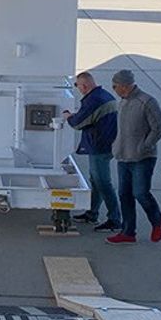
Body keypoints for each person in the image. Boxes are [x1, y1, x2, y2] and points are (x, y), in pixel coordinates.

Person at [105, 70, 161, 245]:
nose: (114, 89)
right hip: (123, 156)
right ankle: (128, 231)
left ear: (124, 86)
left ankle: (157, 220)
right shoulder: (123, 102)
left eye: (115, 86)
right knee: (124, 194)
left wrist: (144, 146)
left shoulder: (147, 102)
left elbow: (158, 128)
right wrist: (116, 146)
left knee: (140, 193)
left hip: (142, 158)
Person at [63, 72, 121, 231]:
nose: (78, 88)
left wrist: (68, 116)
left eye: (77, 85)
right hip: (106, 144)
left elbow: (78, 123)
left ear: (85, 85)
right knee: (96, 181)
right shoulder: (103, 95)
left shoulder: (93, 101)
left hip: (100, 147)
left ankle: (115, 219)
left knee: (103, 182)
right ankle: (92, 213)